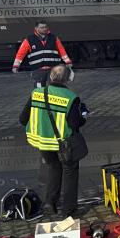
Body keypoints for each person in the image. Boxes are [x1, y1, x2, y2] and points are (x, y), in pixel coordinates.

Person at [18, 65, 89, 219]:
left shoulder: (37, 93)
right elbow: (75, 124)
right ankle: (69, 210)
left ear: (50, 77)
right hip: (62, 144)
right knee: (70, 171)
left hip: (42, 143)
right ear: (68, 79)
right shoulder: (71, 97)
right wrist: (83, 114)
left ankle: (50, 203)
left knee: (54, 168)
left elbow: (23, 119)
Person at [12, 21, 73, 87]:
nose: (44, 29)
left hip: (53, 69)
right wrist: (16, 66)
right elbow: (20, 54)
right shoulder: (29, 39)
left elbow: (62, 51)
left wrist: (68, 62)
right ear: (36, 28)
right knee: (39, 89)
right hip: (38, 69)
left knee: (54, 88)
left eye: (46, 27)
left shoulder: (54, 38)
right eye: (42, 27)